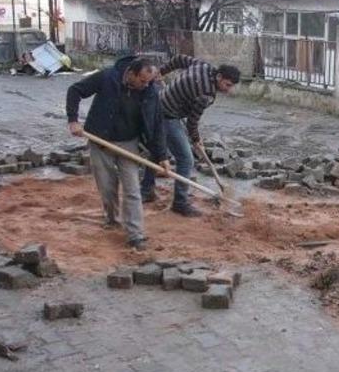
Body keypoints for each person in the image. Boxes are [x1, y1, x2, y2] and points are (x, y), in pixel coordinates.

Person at [66, 56, 171, 250]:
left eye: (149, 81)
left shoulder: (150, 91)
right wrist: (73, 120)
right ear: (131, 73)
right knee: (107, 187)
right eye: (142, 80)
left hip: (129, 142)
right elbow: (75, 91)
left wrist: (162, 156)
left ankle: (135, 234)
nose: (145, 85)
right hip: (101, 140)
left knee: (132, 189)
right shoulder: (107, 77)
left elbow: (157, 124)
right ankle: (112, 218)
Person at [140, 55, 241, 217]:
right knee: (186, 159)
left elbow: (179, 59)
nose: (228, 89)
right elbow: (192, 122)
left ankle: (146, 190)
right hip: (166, 115)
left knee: (159, 151)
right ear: (219, 77)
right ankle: (180, 202)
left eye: (231, 87)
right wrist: (196, 139)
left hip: (160, 103)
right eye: (227, 85)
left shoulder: (203, 66)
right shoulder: (206, 94)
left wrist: (162, 71)